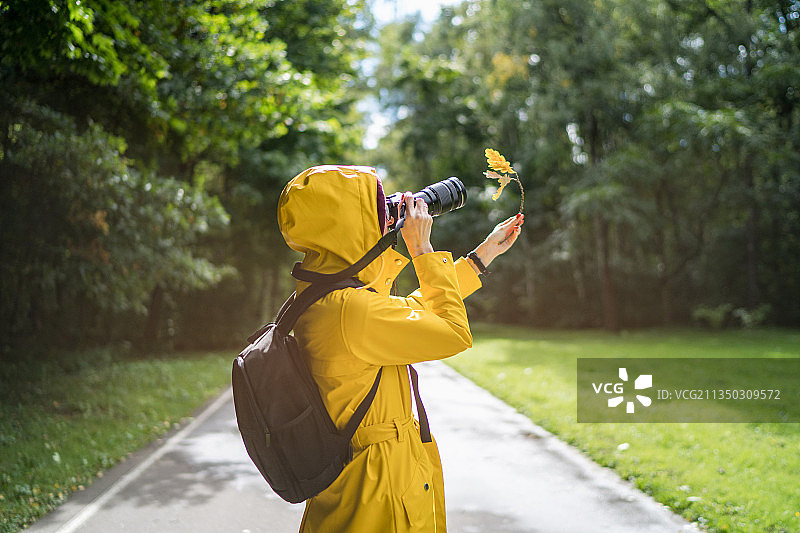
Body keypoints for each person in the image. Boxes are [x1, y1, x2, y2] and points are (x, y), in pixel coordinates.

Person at [277, 165, 523, 532]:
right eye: (374, 209)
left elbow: (409, 310)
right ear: (349, 228)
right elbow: (452, 331)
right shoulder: (351, 310)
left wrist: (478, 259)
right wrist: (422, 248)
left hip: (364, 480)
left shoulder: (328, 298)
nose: (388, 215)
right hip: (378, 491)